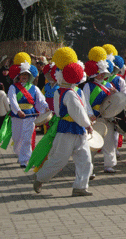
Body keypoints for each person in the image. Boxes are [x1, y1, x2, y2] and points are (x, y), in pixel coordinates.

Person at [33, 47, 94, 196]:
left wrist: (85, 123)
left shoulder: (63, 91)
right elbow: (78, 112)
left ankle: (80, 187)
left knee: (85, 160)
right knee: (59, 160)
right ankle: (40, 178)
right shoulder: (70, 94)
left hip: (74, 129)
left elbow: (77, 111)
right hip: (68, 130)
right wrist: (87, 125)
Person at [7, 53, 49, 168]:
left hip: (30, 115)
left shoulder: (34, 88)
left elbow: (41, 100)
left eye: (26, 74)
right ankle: (20, 153)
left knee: (27, 138)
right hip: (17, 116)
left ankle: (24, 160)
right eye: (22, 74)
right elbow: (12, 99)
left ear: (30, 76)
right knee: (17, 138)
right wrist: (18, 110)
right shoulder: (13, 87)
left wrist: (45, 107)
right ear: (18, 76)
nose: (24, 76)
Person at [83, 47, 116, 175]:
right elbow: (85, 101)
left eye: (104, 73)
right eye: (100, 73)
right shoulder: (88, 85)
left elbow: (116, 100)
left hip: (108, 117)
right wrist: (90, 115)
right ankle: (88, 169)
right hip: (95, 118)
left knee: (109, 142)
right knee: (92, 144)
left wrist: (115, 93)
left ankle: (109, 164)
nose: (102, 75)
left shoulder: (108, 85)